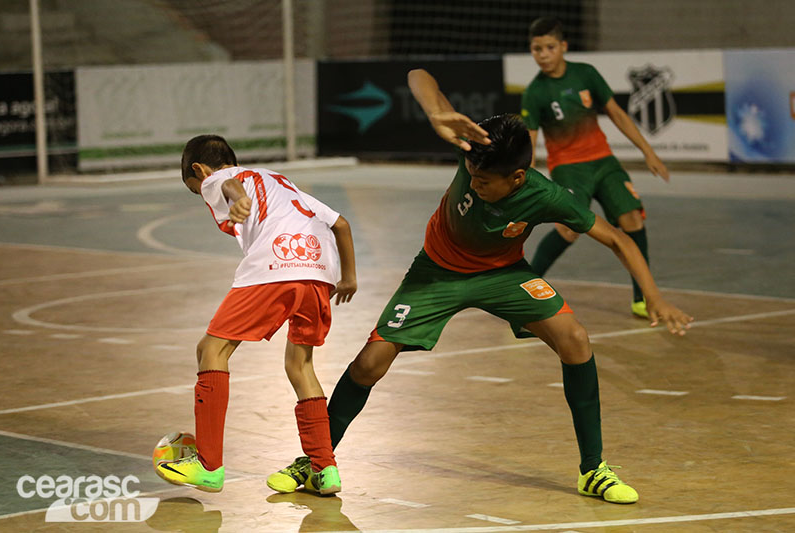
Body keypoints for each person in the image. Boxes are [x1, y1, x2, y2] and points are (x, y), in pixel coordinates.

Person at [266, 70, 692, 504]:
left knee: (576, 340)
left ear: (518, 178)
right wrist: (437, 113)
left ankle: (593, 470)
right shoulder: (474, 150)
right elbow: (419, 76)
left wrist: (653, 296)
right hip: (436, 271)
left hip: (505, 275)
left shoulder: (547, 196)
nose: (474, 182)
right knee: (370, 364)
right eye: (470, 174)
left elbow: (617, 237)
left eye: (485, 182)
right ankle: (315, 461)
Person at [154, 135, 357, 495]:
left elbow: (226, 183)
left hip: (276, 264)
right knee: (301, 366)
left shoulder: (218, 179)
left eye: (194, 187)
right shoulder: (279, 180)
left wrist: (240, 198)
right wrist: (349, 278)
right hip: (320, 272)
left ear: (199, 170)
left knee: (211, 350)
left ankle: (208, 466)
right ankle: (325, 469)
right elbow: (341, 224)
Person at [522, 17, 670, 319]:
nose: (543, 54)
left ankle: (641, 299)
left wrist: (648, 151)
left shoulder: (586, 74)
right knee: (568, 228)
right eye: (537, 49)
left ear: (563, 47)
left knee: (632, 218)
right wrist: (524, 176)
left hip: (604, 162)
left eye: (550, 47)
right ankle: (521, 290)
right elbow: (530, 141)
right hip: (567, 168)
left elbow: (616, 113)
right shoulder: (535, 92)